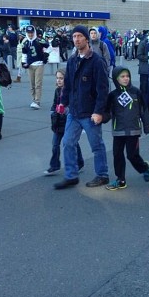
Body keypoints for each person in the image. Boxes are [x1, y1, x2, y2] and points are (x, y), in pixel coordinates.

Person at [53, 25, 110, 190]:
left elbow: (103, 89)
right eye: (74, 36)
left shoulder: (96, 61)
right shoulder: (72, 60)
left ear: (86, 38)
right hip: (74, 112)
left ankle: (102, 175)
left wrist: (99, 111)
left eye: (79, 36)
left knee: (96, 145)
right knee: (68, 142)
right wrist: (63, 102)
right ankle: (71, 176)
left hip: (90, 113)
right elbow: (68, 85)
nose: (76, 39)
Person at [105, 66, 149, 190]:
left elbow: (144, 110)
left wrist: (147, 126)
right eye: (122, 76)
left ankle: (144, 168)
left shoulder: (136, 92)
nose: (126, 79)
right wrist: (100, 118)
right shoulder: (112, 95)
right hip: (118, 130)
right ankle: (120, 179)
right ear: (116, 78)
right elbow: (106, 112)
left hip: (133, 129)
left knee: (132, 155)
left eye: (127, 76)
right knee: (117, 155)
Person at [44, 69, 84, 175]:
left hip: (68, 122)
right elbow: (54, 104)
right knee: (55, 144)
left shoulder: (70, 92)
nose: (59, 80)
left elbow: (74, 106)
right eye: (57, 78)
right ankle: (55, 165)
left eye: (61, 78)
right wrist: (52, 111)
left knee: (72, 143)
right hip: (58, 122)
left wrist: (66, 110)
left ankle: (79, 162)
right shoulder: (57, 91)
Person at [21, 25, 49, 109]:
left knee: (38, 84)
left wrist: (46, 55)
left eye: (32, 33)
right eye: (28, 33)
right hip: (30, 65)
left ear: (34, 32)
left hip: (39, 64)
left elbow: (49, 46)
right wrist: (23, 62)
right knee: (32, 84)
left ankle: (37, 101)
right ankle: (33, 100)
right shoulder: (25, 42)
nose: (30, 35)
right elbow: (24, 54)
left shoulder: (39, 41)